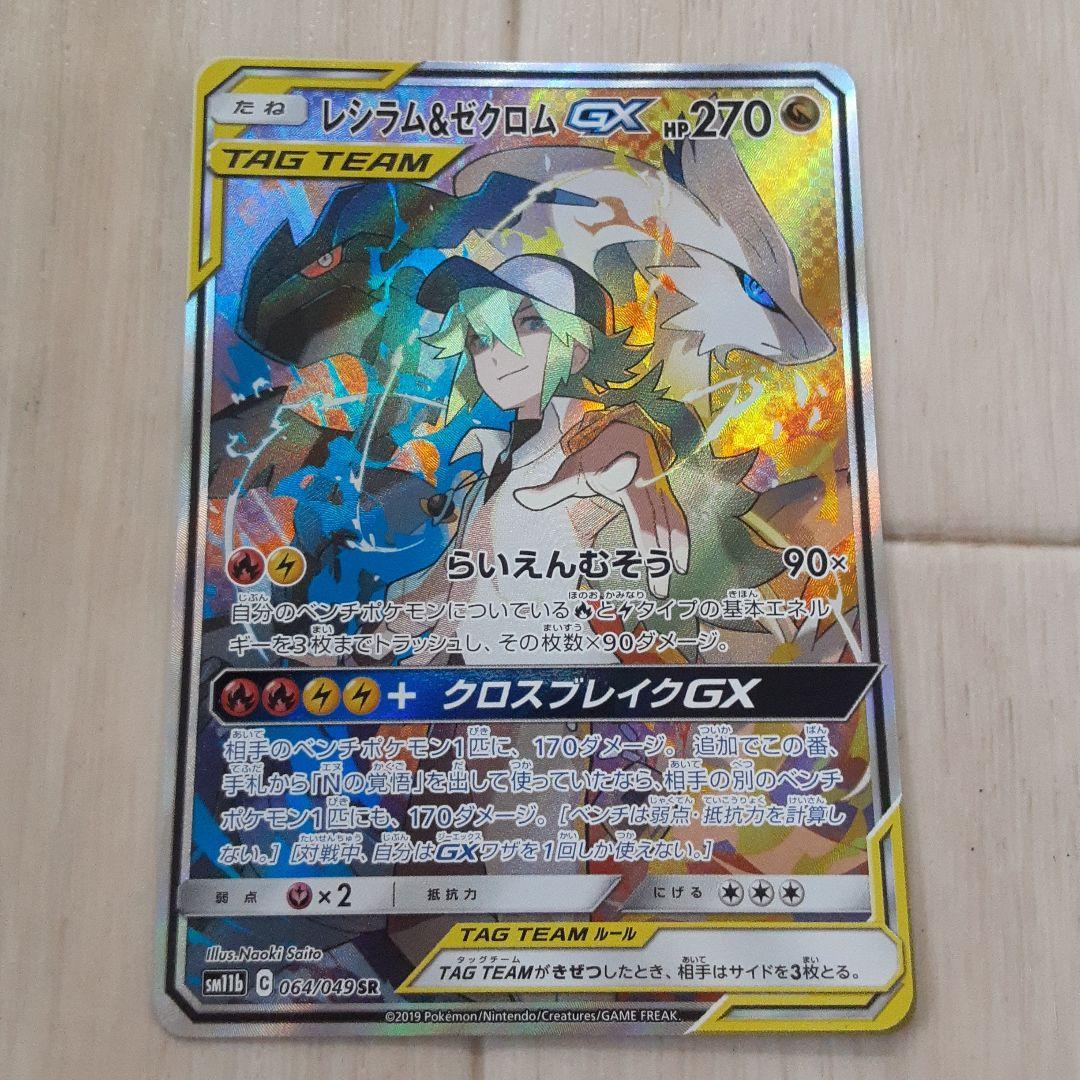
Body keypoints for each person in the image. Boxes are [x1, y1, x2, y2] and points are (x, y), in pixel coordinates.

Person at [386, 253, 689, 665]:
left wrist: (634, 442)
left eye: (529, 323)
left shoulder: (584, 447)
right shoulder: (493, 466)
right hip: (479, 683)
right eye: (480, 338)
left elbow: (612, 450)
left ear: (579, 349)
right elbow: (448, 580)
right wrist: (368, 644)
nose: (496, 353)